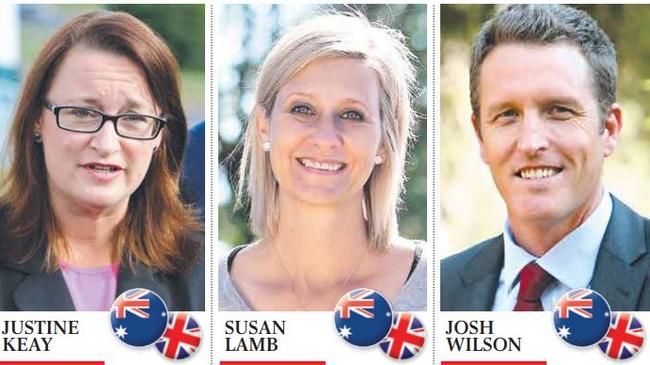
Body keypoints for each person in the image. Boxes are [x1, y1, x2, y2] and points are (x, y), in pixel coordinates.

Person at [441, 4, 650, 311]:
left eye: (559, 110)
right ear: (480, 136)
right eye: (507, 114)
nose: (531, 142)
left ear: (608, 128)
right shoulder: (440, 292)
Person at [219, 12, 426, 311]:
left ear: (384, 141)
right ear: (264, 126)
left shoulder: (438, 286)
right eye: (302, 109)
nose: (326, 137)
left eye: (352, 114)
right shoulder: (209, 293)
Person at [0, 10, 203, 311]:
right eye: (82, 114)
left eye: (134, 118)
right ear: (36, 120)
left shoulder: (203, 270)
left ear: (160, 134)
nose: (106, 144)